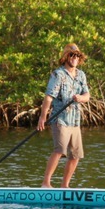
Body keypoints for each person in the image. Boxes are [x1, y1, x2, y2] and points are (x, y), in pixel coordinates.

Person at [37, 43, 90, 188]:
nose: (74, 58)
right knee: (60, 150)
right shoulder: (58, 74)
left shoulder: (81, 75)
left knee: (76, 155)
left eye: (77, 56)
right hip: (60, 119)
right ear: (66, 57)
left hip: (75, 120)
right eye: (72, 55)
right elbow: (49, 97)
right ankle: (46, 183)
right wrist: (43, 117)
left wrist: (80, 98)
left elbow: (87, 95)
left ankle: (64, 186)